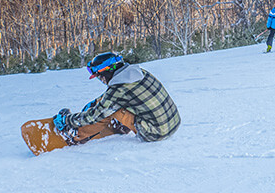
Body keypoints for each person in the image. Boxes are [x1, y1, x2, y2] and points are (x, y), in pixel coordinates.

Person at [52, 52, 181, 144]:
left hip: (155, 133)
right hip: (172, 124)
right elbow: (115, 96)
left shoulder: (118, 89)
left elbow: (95, 115)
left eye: (98, 76)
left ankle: (77, 135)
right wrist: (97, 102)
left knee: (110, 110)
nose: (100, 80)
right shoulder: (138, 73)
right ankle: (121, 125)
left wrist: (67, 120)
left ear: (106, 71)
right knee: (110, 104)